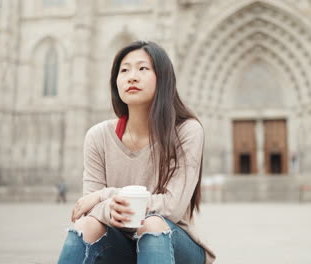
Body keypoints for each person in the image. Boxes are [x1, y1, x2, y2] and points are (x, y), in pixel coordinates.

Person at [57, 41, 215, 263]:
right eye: (124, 70)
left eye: (143, 68)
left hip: (175, 245)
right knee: (85, 227)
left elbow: (172, 207)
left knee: (151, 224)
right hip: (120, 244)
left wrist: (106, 196)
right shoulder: (98, 136)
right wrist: (109, 210)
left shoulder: (187, 131)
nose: (132, 76)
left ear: (163, 79)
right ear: (116, 83)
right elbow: (88, 210)